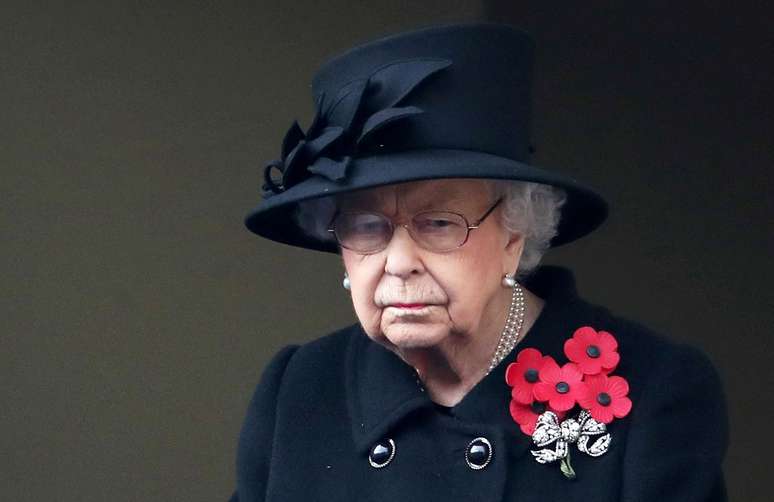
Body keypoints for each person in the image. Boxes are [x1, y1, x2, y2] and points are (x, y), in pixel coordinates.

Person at [230, 22, 728, 501]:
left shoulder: (654, 391)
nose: (399, 262)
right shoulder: (298, 390)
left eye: (439, 223)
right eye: (366, 226)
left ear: (516, 231)